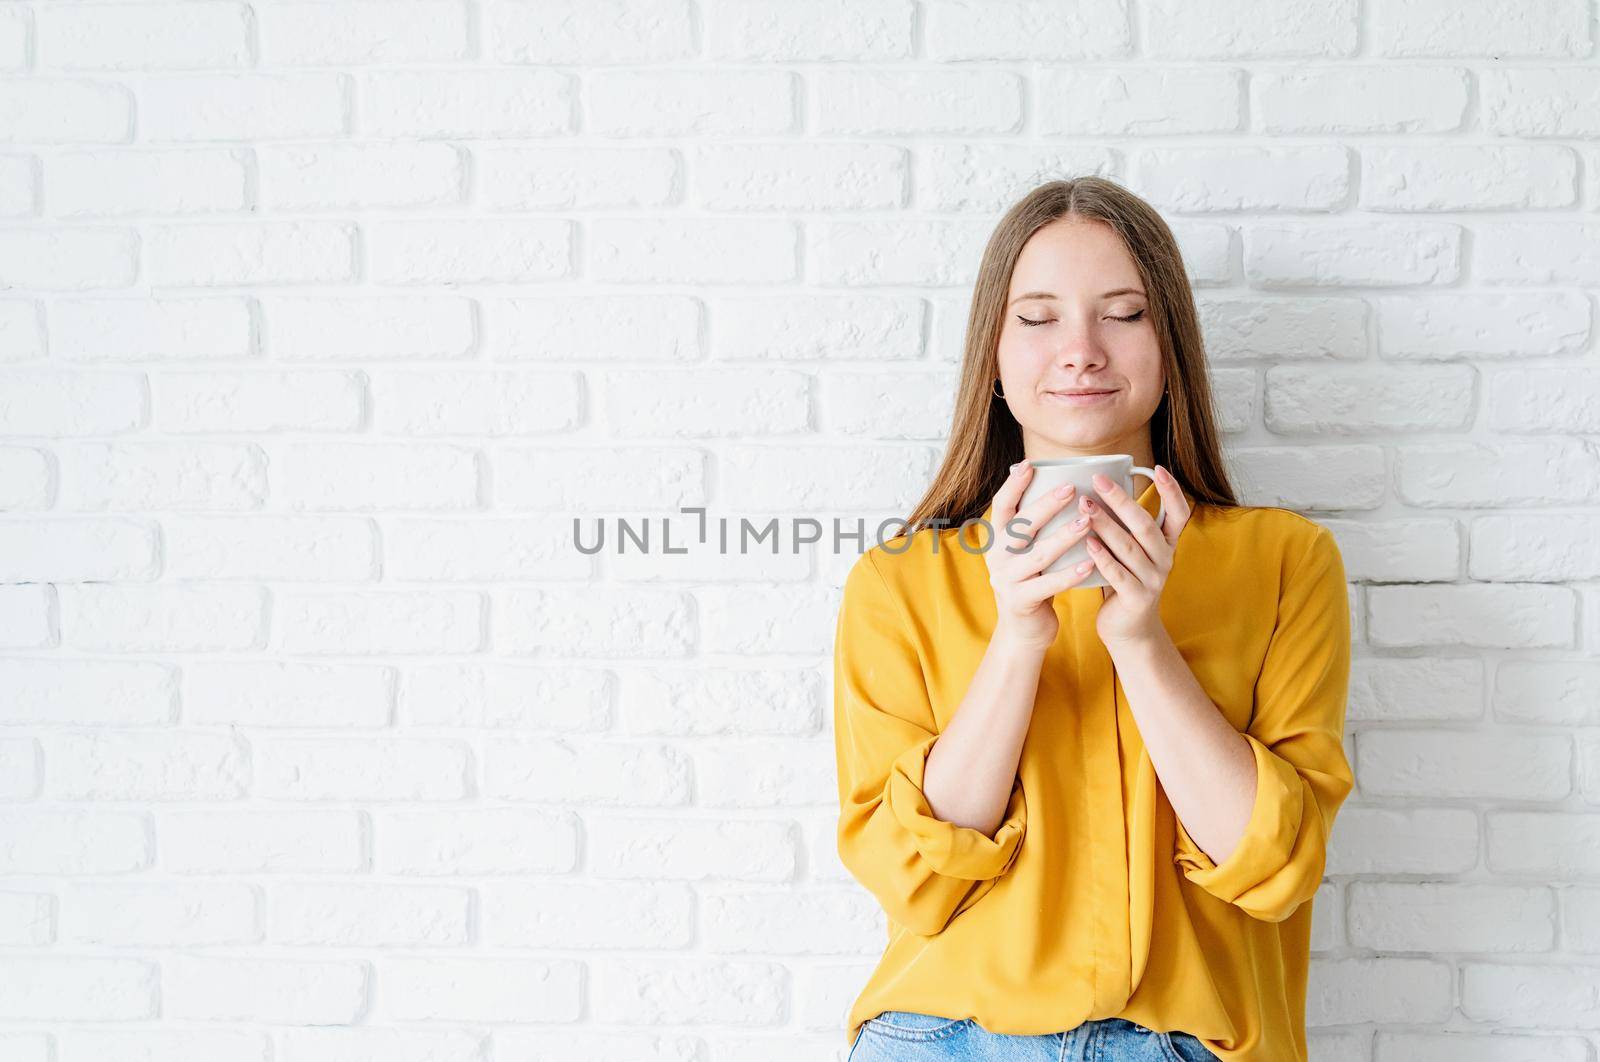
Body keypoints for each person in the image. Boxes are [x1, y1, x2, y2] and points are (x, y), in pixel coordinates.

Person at [832, 176, 1354, 1062]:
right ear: (993, 360)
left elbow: (1274, 869)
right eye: (1037, 319)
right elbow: (913, 879)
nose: (1080, 351)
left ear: (1171, 346)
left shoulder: (1283, 561)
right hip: (942, 1037)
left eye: (1123, 313)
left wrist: (1141, 642)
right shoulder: (899, 582)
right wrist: (1018, 637)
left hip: (1187, 1043)